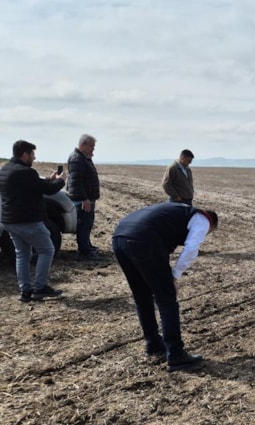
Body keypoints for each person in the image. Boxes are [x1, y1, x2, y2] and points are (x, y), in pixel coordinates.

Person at [112, 202, 218, 372]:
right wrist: (174, 276)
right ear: (212, 224)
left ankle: (153, 343)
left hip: (119, 237)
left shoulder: (178, 212)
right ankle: (176, 354)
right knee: (167, 299)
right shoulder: (203, 220)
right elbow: (191, 249)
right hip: (144, 240)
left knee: (142, 296)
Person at [0, 140, 68, 301]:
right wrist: (61, 181)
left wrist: (48, 179)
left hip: (9, 221)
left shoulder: (5, 170)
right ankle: (40, 287)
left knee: (22, 254)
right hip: (27, 220)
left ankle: (25, 291)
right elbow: (49, 191)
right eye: (32, 154)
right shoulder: (26, 172)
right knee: (47, 250)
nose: (34, 157)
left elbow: (31, 185)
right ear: (25, 154)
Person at [66, 133, 100, 259]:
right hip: (82, 199)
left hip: (87, 198)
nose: (93, 149)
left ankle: (87, 245)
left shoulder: (83, 158)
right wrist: (84, 198)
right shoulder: (77, 159)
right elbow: (76, 181)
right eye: (91, 146)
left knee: (88, 223)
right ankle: (84, 251)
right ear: (83, 145)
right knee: (83, 224)